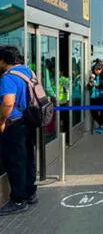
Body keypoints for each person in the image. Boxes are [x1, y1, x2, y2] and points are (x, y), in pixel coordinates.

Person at [0, 45, 37, 215]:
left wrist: (2, 120)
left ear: (3, 60)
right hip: (28, 120)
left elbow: (8, 102)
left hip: (14, 123)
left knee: (15, 161)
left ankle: (18, 200)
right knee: (28, 157)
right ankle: (30, 193)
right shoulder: (27, 71)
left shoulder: (8, 77)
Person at [88, 63, 103, 134]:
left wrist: (99, 85)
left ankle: (102, 125)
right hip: (93, 96)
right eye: (96, 69)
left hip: (102, 96)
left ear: (102, 69)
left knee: (102, 111)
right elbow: (88, 86)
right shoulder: (92, 77)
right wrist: (90, 84)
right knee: (93, 111)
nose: (97, 71)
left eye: (99, 69)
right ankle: (100, 123)